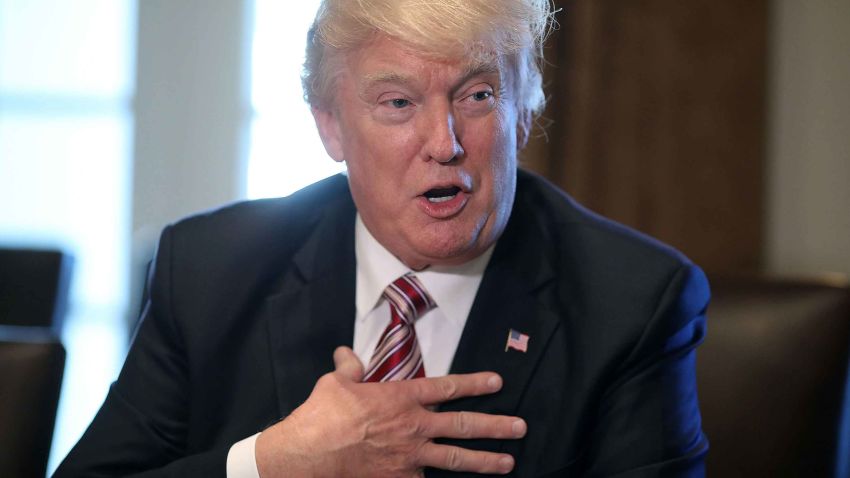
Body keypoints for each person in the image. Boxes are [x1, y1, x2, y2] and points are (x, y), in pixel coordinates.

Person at [55, 0, 709, 476]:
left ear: (525, 113)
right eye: (397, 103)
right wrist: (269, 463)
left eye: (478, 95)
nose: (444, 143)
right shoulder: (211, 269)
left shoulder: (633, 302)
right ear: (331, 127)